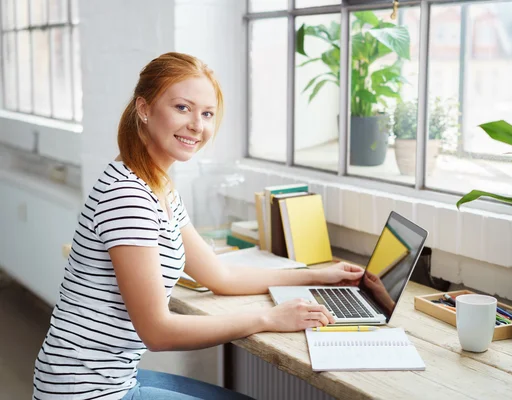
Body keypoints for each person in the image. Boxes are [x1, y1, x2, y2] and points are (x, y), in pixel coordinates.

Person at [32, 52, 365, 400]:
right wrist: (267, 318)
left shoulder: (156, 184)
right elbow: (157, 332)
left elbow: (221, 276)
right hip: (86, 393)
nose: (197, 125)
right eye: (182, 108)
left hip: (110, 380)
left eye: (206, 114)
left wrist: (316, 275)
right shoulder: (128, 196)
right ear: (144, 109)